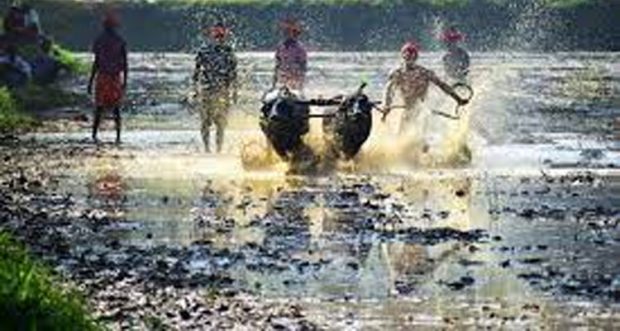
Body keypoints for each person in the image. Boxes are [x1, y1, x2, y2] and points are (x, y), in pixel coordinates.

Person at [382, 41, 469, 133]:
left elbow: (442, 85)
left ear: (416, 58)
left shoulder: (425, 73)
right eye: (407, 57)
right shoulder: (397, 74)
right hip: (407, 109)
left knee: (420, 133)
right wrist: (387, 106)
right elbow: (389, 90)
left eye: (412, 57)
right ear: (403, 57)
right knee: (402, 133)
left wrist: (458, 99)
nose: (410, 60)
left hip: (422, 110)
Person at [192, 22, 238, 153]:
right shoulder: (204, 50)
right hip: (206, 90)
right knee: (205, 122)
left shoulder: (229, 51)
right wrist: (195, 90)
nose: (219, 38)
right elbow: (196, 72)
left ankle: (219, 149)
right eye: (216, 34)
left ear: (225, 36)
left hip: (223, 91)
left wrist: (235, 91)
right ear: (212, 35)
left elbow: (234, 73)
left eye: (221, 35)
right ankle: (207, 149)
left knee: (221, 123)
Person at [87, 10, 128, 144]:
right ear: (114, 26)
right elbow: (125, 63)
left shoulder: (99, 40)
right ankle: (118, 136)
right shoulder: (120, 41)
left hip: (103, 77)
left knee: (99, 107)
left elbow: (96, 62)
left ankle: (94, 135)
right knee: (116, 109)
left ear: (104, 26)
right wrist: (125, 81)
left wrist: (90, 81)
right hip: (114, 78)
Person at [272, 18, 307, 91]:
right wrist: (273, 85)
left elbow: (303, 68)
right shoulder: (280, 47)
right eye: (285, 32)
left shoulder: (300, 48)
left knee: (292, 86)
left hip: (295, 78)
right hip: (284, 77)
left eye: (288, 32)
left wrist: (300, 85)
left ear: (294, 33)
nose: (286, 34)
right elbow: (277, 66)